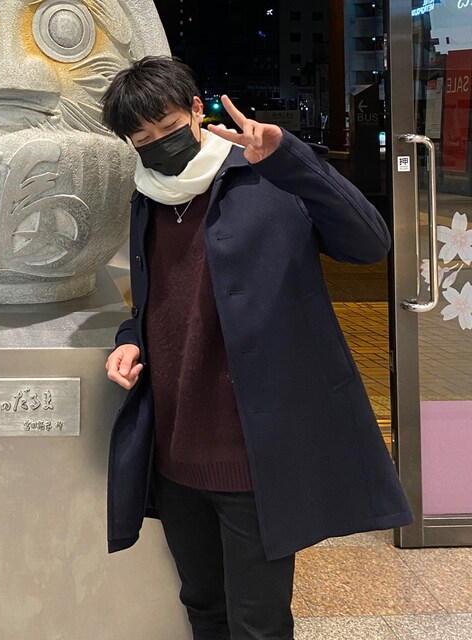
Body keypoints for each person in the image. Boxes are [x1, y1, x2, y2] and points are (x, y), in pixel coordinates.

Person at [101, 56, 412, 640]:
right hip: (174, 447)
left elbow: (370, 244)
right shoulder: (147, 195)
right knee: (202, 606)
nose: (159, 145)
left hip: (250, 450)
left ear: (197, 109)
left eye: (168, 128)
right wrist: (129, 341)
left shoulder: (268, 172)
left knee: (258, 622)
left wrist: (293, 160)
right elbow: (159, 300)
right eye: (141, 139)